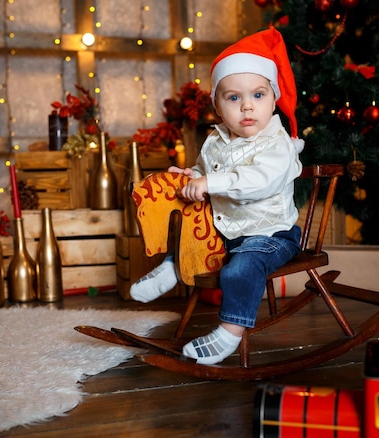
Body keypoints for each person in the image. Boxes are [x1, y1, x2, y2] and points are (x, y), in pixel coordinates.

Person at [130, 27, 304, 365]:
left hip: (270, 234)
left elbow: (259, 181)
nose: (247, 107)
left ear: (273, 98)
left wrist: (210, 182)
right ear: (218, 106)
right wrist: (193, 177)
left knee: (238, 271)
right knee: (189, 240)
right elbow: (203, 167)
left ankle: (228, 332)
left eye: (258, 95)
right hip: (227, 230)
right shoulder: (217, 139)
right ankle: (170, 268)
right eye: (234, 98)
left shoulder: (277, 143)